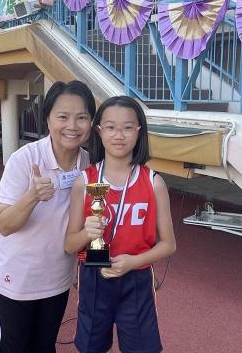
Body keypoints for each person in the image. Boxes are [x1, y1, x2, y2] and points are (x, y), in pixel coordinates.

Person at [0, 81, 96, 353]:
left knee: (45, 347)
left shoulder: (89, 165)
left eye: (81, 117)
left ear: (91, 122)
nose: (72, 126)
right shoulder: (25, 159)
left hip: (57, 277)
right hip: (16, 277)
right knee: (14, 347)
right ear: (48, 119)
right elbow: (4, 224)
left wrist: (89, 266)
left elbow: (89, 222)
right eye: (63, 117)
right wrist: (32, 196)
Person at [65, 96, 177, 353]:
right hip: (94, 274)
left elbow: (169, 244)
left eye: (127, 127)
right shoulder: (85, 182)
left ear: (139, 131)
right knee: (91, 348)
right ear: (99, 131)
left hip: (136, 277)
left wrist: (133, 262)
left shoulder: (153, 183)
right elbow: (70, 244)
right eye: (111, 127)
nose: (118, 135)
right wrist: (87, 233)